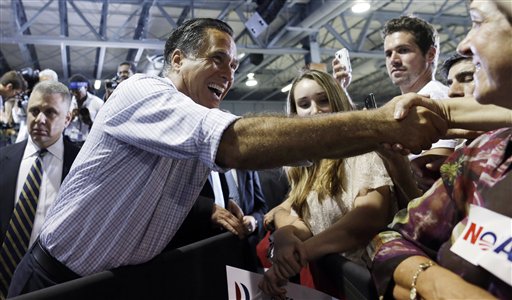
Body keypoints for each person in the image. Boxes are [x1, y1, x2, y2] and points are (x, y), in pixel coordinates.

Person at [7, 18, 448, 297]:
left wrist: (213, 213)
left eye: (234, 65)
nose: (229, 72)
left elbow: (155, 195)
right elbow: (238, 143)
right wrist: (379, 125)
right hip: (56, 280)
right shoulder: (142, 91)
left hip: (120, 281)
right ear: (177, 59)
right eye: (218, 58)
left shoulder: (197, 117)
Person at [368, 1, 512, 299]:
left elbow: (424, 178)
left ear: (430, 55)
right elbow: (398, 236)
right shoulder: (485, 154)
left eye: (478, 21)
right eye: (388, 53)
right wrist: (437, 284)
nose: (464, 44)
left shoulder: (433, 104)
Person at [259, 69, 395, 298]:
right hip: (333, 283)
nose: (315, 110)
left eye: (323, 100)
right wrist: (286, 234)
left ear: (338, 100)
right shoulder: (307, 165)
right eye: (304, 104)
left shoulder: (361, 151)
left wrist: (302, 251)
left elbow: (368, 219)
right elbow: (304, 218)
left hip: (370, 282)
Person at [0, 81, 80, 298]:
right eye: (34, 111)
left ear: (67, 119)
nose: (40, 119)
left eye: (50, 112)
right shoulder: (3, 159)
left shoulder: (81, 165)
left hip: (50, 284)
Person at [382, 15, 458, 193]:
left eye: (403, 50)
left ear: (430, 54)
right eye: (388, 53)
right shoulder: (403, 103)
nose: (393, 59)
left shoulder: (435, 96)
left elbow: (431, 171)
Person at [409, 53, 478, 191]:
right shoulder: (463, 148)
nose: (452, 92)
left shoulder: (503, 142)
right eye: (450, 83)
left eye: (467, 79)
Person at [63, 74, 103, 145]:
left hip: (87, 143)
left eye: (77, 90)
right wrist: (70, 118)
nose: (74, 94)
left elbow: (102, 128)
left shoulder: (98, 103)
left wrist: (90, 123)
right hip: (68, 141)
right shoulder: (66, 102)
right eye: (72, 91)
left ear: (85, 87)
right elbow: (60, 124)